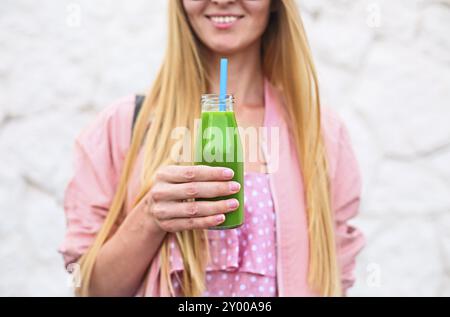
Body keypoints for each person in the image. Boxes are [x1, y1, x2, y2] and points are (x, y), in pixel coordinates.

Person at [60, 0, 365, 297]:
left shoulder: (319, 132)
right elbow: (90, 289)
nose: (222, 0)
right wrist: (149, 218)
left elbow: (334, 281)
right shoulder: (125, 125)